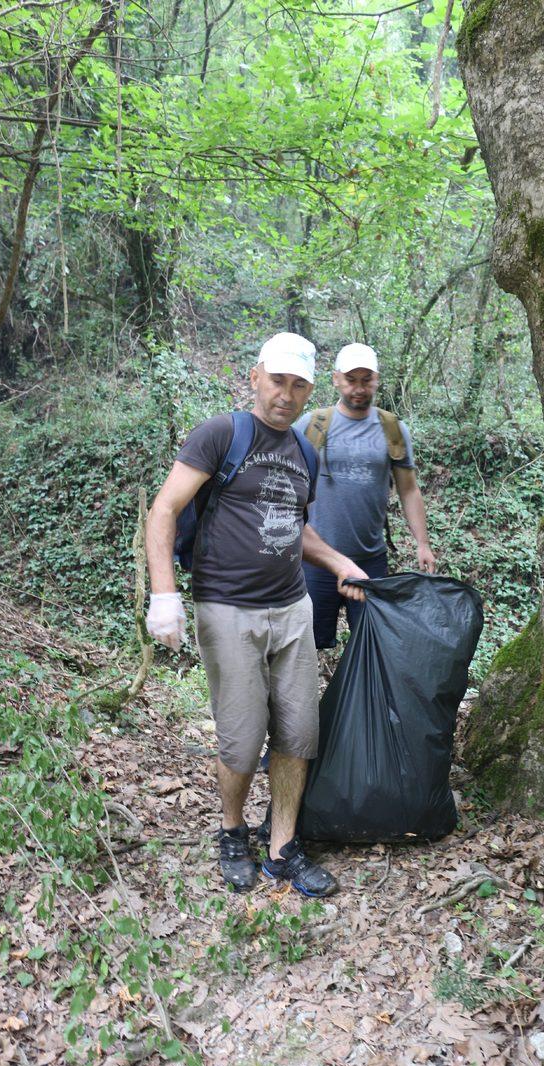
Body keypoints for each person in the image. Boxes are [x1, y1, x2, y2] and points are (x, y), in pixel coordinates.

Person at [145, 332, 368, 897]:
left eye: (298, 386)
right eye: (277, 381)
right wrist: (164, 595)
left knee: (299, 734)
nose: (286, 396)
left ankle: (283, 847)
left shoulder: (304, 452)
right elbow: (165, 509)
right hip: (227, 609)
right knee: (242, 742)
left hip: (292, 607)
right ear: (255, 376)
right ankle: (231, 830)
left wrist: (340, 561)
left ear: (310, 389)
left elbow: (297, 527)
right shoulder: (222, 434)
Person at [294, 342, 436, 649]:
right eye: (351, 380)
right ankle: (307, 698)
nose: (359, 388)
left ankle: (358, 697)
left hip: (370, 559)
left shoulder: (392, 429)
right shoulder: (313, 425)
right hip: (317, 559)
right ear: (336, 380)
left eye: (366, 380)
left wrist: (422, 543)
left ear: (376, 379)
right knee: (307, 644)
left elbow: (409, 489)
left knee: (370, 644)